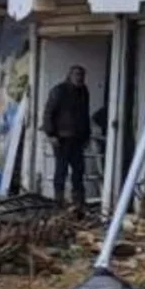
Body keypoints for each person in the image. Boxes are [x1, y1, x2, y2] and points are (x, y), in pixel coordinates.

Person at [42, 64, 91, 210]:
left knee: (79, 170)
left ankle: (78, 202)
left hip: (78, 138)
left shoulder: (83, 91)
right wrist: (50, 134)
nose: (79, 78)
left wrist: (86, 135)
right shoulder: (59, 91)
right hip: (61, 138)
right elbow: (48, 113)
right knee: (61, 170)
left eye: (81, 75)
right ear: (69, 75)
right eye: (76, 75)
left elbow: (85, 114)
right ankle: (59, 201)